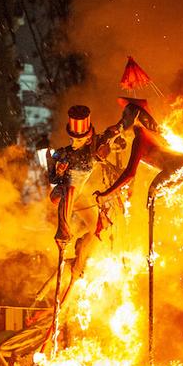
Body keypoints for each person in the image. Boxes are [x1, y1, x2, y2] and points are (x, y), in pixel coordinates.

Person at [46, 105, 127, 277]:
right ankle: (64, 233)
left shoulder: (96, 146)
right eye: (72, 139)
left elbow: (115, 130)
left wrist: (123, 126)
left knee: (97, 228)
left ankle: (80, 257)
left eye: (79, 139)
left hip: (79, 195)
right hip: (63, 194)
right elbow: (53, 180)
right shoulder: (63, 154)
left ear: (88, 137)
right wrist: (56, 170)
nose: (74, 143)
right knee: (70, 189)